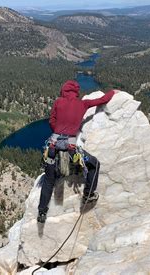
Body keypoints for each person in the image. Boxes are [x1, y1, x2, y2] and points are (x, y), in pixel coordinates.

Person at [37, 80, 116, 223]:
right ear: (76, 92)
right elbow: (102, 100)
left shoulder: (58, 102)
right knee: (94, 164)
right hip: (72, 150)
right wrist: (113, 92)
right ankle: (89, 195)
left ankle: (42, 213)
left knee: (49, 181)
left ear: (64, 91)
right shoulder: (82, 104)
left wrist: (59, 132)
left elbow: (51, 122)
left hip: (53, 147)